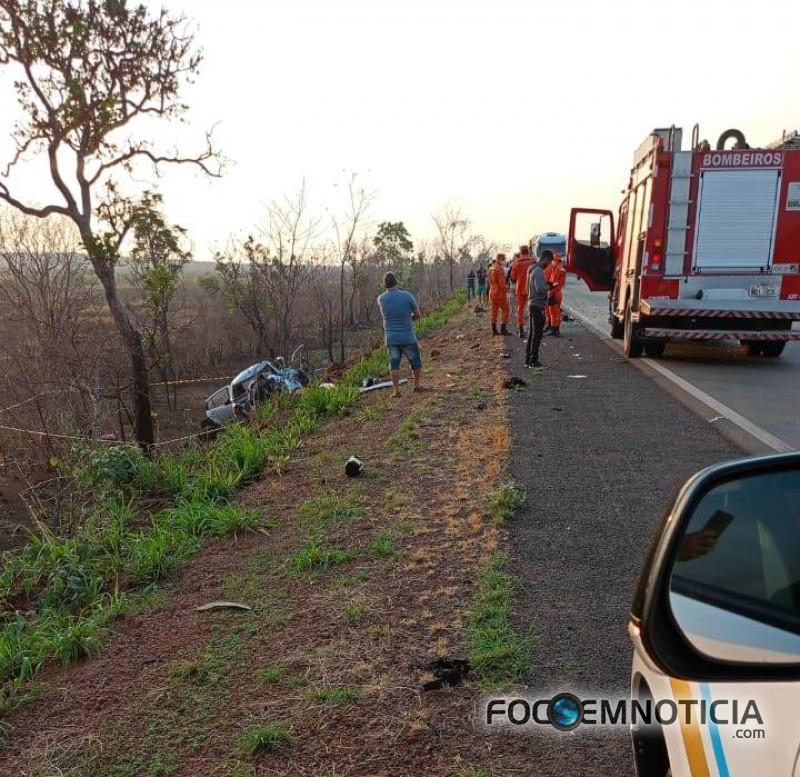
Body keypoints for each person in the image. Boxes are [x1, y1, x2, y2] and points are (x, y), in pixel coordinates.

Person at [377, 271, 422, 398]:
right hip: (407, 336)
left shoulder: (381, 299)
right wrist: (409, 319)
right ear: (396, 281)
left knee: (394, 364)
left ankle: (396, 391)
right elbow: (418, 314)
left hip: (391, 338)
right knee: (415, 362)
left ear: (384, 284)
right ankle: (417, 385)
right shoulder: (407, 296)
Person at [525, 250, 553, 368]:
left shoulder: (532, 269)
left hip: (532, 304)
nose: (549, 264)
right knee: (537, 334)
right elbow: (539, 289)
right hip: (537, 305)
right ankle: (533, 361)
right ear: (546, 259)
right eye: (549, 261)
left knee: (532, 333)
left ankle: (528, 360)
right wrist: (548, 286)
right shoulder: (538, 271)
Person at [510, 245, 534, 339]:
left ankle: (521, 330)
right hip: (531, 289)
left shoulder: (516, 263)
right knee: (532, 309)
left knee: (520, 310)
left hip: (520, 289)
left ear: (520, 252)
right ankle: (533, 329)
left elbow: (513, 277)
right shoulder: (533, 262)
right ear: (528, 251)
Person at [544, 251, 567, 337]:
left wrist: (549, 295)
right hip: (557, 293)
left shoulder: (557, 270)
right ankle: (554, 328)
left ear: (556, 260)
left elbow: (553, 284)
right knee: (554, 312)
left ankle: (554, 329)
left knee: (554, 312)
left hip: (554, 294)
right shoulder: (560, 269)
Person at [488, 253, 511, 336]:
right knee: (506, 310)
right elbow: (502, 284)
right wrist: (507, 289)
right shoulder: (500, 269)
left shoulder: (491, 267)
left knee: (494, 311)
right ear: (500, 259)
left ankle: (494, 330)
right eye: (504, 259)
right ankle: (503, 329)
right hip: (500, 294)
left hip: (492, 293)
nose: (505, 261)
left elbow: (490, 281)